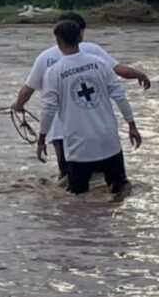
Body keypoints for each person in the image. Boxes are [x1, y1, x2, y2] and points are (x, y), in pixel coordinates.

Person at [10, 12, 149, 179]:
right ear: (80, 33)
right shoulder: (96, 56)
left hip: (63, 134)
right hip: (101, 130)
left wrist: (19, 106)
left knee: (70, 181)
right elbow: (118, 80)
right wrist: (139, 75)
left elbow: (30, 92)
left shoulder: (47, 61)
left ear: (57, 37)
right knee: (111, 181)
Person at [37, 20, 142, 195]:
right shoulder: (100, 63)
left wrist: (41, 138)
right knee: (120, 188)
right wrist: (132, 125)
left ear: (58, 41)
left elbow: (48, 109)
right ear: (80, 37)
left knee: (77, 197)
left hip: (79, 147)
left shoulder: (54, 72)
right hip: (109, 141)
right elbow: (120, 96)